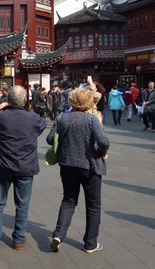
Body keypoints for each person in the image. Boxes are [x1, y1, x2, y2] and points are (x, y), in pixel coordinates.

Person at [0, 86, 46, 250]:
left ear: (8, 99)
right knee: (22, 204)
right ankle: (19, 238)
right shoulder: (33, 117)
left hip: (2, 166)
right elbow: (42, 126)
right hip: (25, 166)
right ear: (25, 100)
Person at [47, 88, 110, 254]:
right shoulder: (91, 120)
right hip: (90, 166)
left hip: (67, 165)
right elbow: (103, 140)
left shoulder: (62, 117)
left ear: (72, 100)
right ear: (88, 102)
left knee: (68, 200)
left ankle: (58, 235)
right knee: (93, 205)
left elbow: (49, 138)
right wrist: (101, 151)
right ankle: (90, 243)